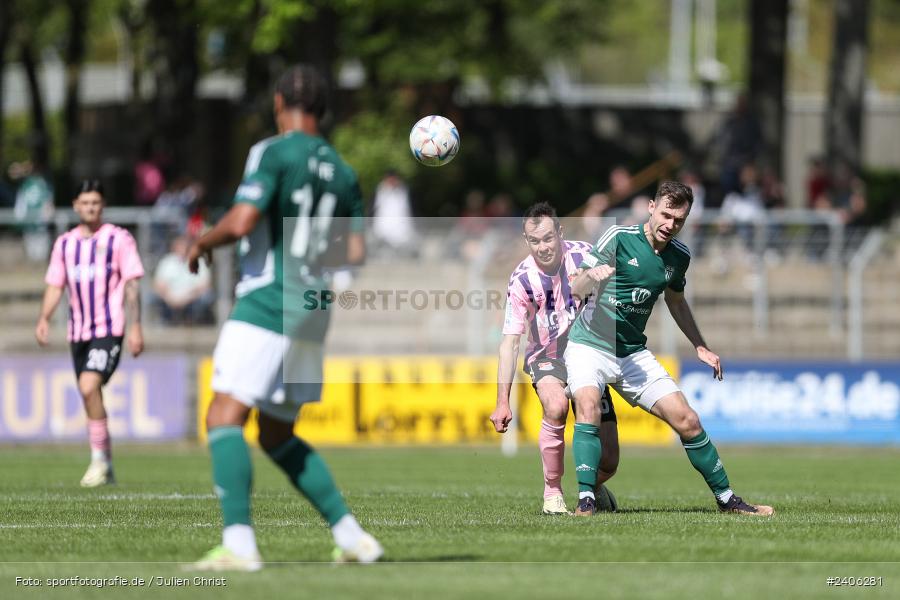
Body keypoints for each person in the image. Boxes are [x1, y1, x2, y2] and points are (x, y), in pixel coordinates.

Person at [186, 64, 382, 571]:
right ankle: (353, 537)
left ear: (279, 104)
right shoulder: (344, 171)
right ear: (322, 110)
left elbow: (244, 219)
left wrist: (204, 240)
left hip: (269, 301)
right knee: (275, 435)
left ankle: (239, 545)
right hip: (314, 310)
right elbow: (356, 251)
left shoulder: (273, 152)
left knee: (222, 416)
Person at [564, 180, 774, 517]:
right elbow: (576, 286)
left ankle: (727, 501)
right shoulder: (618, 238)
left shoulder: (679, 257)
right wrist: (594, 277)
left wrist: (700, 345)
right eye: (665, 215)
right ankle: (586, 501)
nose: (669, 225)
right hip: (590, 346)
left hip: (632, 353)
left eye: (678, 220)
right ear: (651, 207)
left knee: (688, 420)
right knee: (587, 406)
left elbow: (676, 301)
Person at [490, 202, 619, 515]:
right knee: (557, 405)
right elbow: (510, 343)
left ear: (560, 232)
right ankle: (553, 492)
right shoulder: (521, 279)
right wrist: (502, 401)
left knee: (610, 461)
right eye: (534, 241)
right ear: (526, 240)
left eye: (548, 238)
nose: (543, 247)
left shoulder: (585, 255)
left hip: (588, 354)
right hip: (547, 358)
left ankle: (595, 486)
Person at [35, 180, 145, 487]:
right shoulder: (65, 244)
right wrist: (44, 317)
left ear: (103, 206)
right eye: (85, 203)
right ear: (75, 205)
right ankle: (105, 462)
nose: (90, 208)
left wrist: (136, 326)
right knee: (89, 395)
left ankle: (98, 461)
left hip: (109, 329)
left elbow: (133, 284)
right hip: (77, 332)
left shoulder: (119, 239)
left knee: (87, 386)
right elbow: (56, 284)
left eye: (95, 203)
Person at [152, 235, 215, 325]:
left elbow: (205, 285)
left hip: (193, 298)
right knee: (152, 297)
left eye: (184, 246)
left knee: (207, 297)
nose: (182, 249)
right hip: (170, 299)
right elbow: (158, 285)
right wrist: (170, 298)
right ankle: (167, 323)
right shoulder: (166, 262)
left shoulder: (199, 261)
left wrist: (187, 298)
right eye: (180, 246)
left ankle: (194, 323)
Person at [13, 160, 55, 262]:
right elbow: (21, 203)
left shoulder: (43, 184)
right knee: (32, 256)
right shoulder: (26, 184)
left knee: (40, 255)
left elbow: (48, 203)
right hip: (29, 225)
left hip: (40, 225)